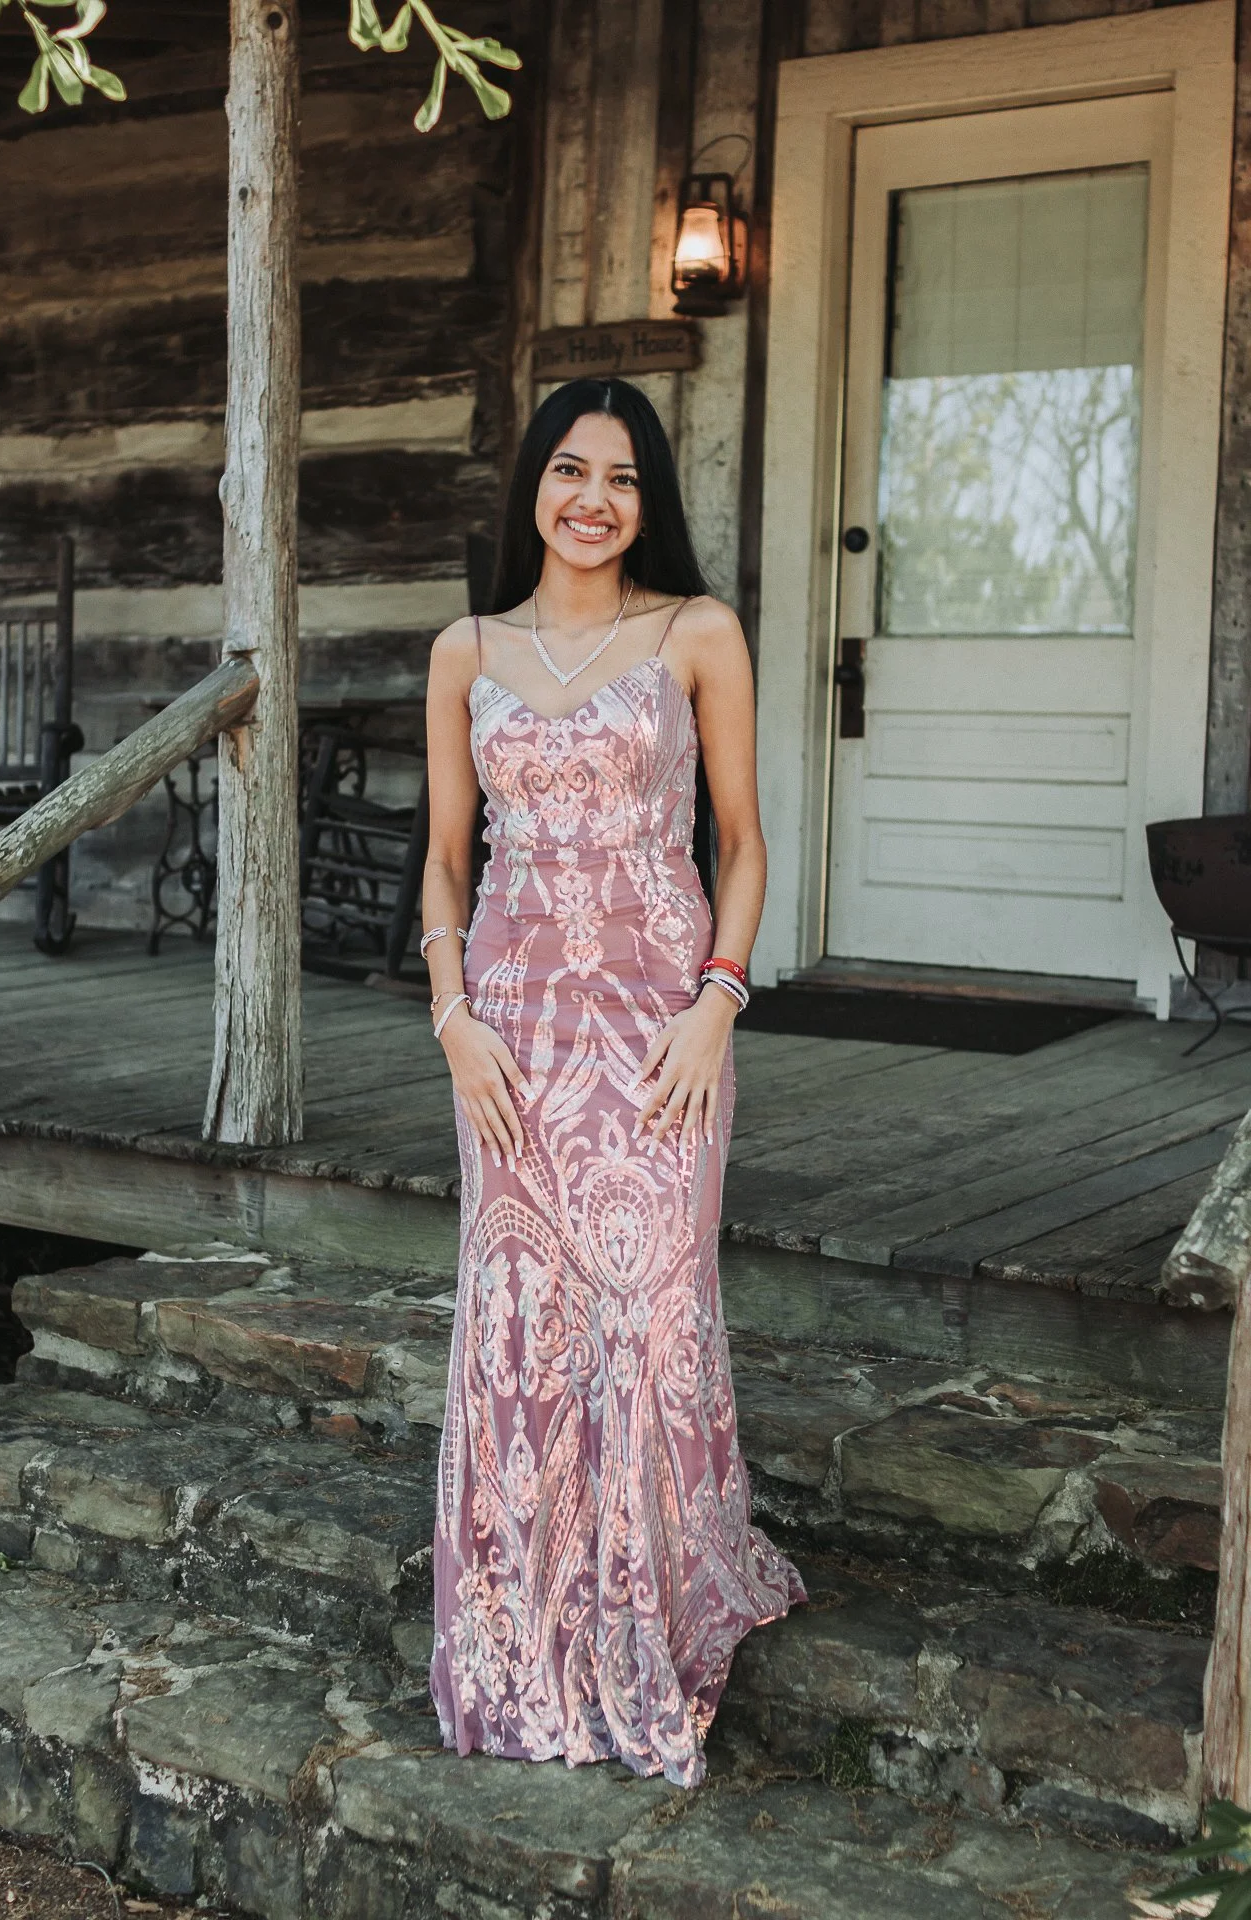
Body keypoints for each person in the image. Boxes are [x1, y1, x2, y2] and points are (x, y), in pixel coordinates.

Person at [422, 375, 806, 1789]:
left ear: (652, 502)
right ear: (533, 483)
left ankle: (648, 1612)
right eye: (571, 471)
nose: (594, 499)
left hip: (659, 1022)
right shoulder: (465, 650)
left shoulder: (696, 632)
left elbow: (745, 841)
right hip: (511, 1029)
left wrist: (720, 1001)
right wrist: (452, 1015)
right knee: (524, 1319)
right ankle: (523, 1632)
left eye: (626, 479)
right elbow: (449, 861)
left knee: (646, 1311)